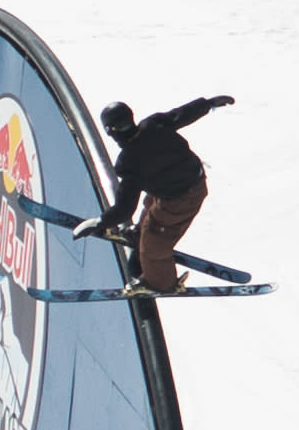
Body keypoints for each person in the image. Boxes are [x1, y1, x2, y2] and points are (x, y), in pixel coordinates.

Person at [91, 93, 232, 296]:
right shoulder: (152, 125)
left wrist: (101, 222)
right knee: (151, 203)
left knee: (153, 245)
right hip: (188, 183)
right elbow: (181, 115)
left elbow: (125, 208)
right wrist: (206, 104)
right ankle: (139, 233)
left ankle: (159, 283)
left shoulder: (129, 161)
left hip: (181, 199)